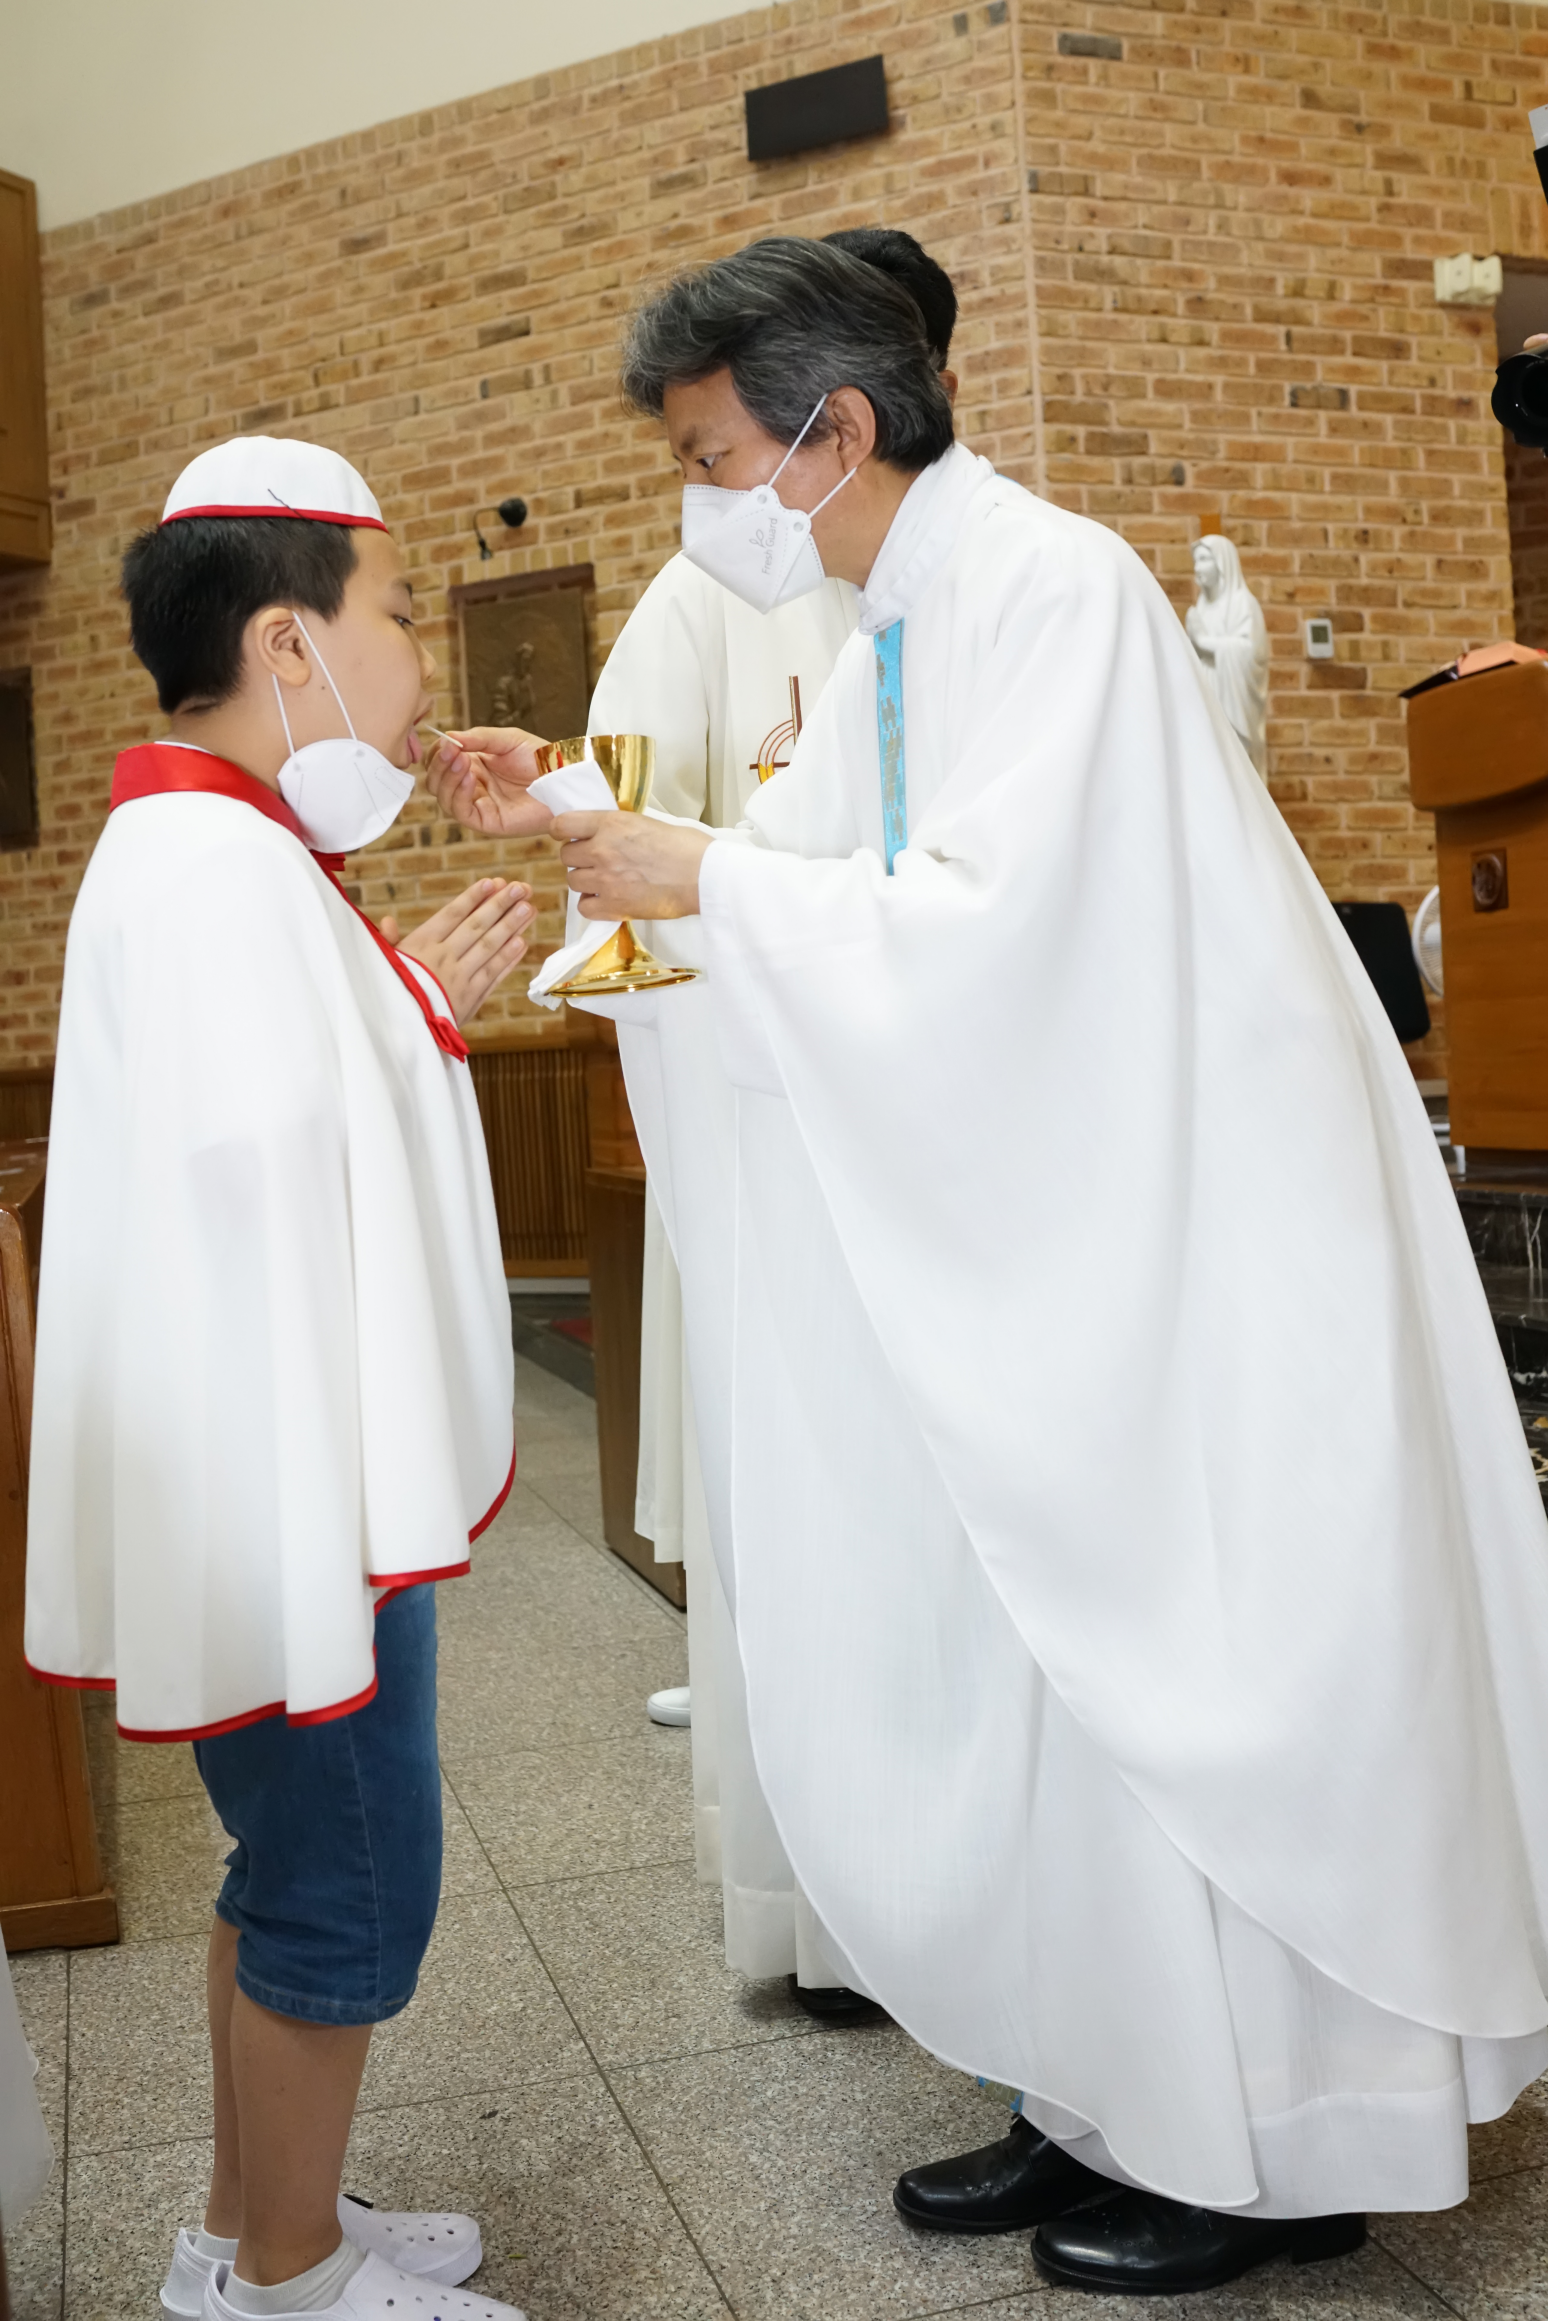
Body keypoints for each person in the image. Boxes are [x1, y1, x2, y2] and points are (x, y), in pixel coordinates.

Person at [428, 236, 1548, 2294]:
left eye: (709, 456)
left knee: (1181, 1663)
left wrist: (706, 877)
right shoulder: (904, 618)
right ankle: (1105, 2097)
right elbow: (823, 880)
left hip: (1178, 1244)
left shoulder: (1052, 589)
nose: (701, 501)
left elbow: (994, 937)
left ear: (834, 427)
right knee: (1052, 1666)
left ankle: (1276, 2145)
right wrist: (589, 816)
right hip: (1059, 1239)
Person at [25, 437, 533, 2321]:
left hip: (255, 1462)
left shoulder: (216, 845)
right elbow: (261, 1160)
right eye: (396, 613)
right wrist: (427, 1013)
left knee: (279, 1867)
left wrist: (400, 1003)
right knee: (347, 1878)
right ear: (285, 641)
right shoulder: (213, 866)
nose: (418, 664)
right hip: (276, 1480)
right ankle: (293, 2279)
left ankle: (245, 2229)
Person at [581, 225, 958, 2018]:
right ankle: (816, 1908)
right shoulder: (698, 596)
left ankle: (969, 1914)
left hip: (932, 1146)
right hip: (773, 1138)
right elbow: (619, 870)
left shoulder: (960, 588)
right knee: (809, 1527)